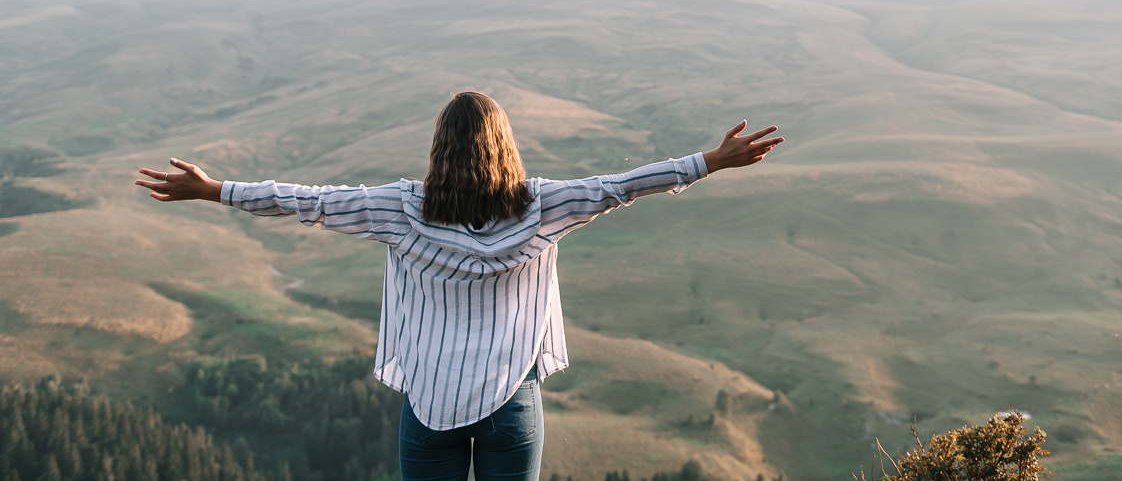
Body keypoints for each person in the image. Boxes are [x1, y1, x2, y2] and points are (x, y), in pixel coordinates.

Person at [135, 91, 783, 481]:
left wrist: (215, 188)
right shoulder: (544, 204)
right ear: (505, 145)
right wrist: (709, 160)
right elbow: (621, 184)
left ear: (439, 148)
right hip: (512, 404)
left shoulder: (402, 208)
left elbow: (309, 202)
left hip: (431, 405)